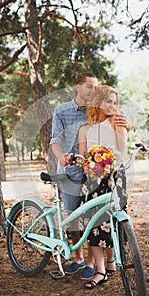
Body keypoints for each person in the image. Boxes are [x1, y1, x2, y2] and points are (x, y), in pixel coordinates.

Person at [78, 85, 129, 289]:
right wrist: (89, 165)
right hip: (91, 181)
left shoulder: (118, 122)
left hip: (114, 178)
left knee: (113, 223)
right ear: (97, 101)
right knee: (94, 226)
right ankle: (100, 271)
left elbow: (122, 151)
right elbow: (82, 159)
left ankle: (112, 262)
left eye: (115, 102)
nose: (112, 106)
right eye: (109, 101)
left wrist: (106, 164)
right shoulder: (85, 129)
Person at [50, 72, 98, 279]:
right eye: (89, 86)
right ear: (77, 87)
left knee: (93, 218)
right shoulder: (61, 111)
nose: (93, 91)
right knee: (72, 218)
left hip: (94, 173)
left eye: (96, 87)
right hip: (69, 172)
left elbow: (114, 127)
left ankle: (91, 262)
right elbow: (55, 140)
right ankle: (77, 258)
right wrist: (61, 157)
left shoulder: (98, 111)